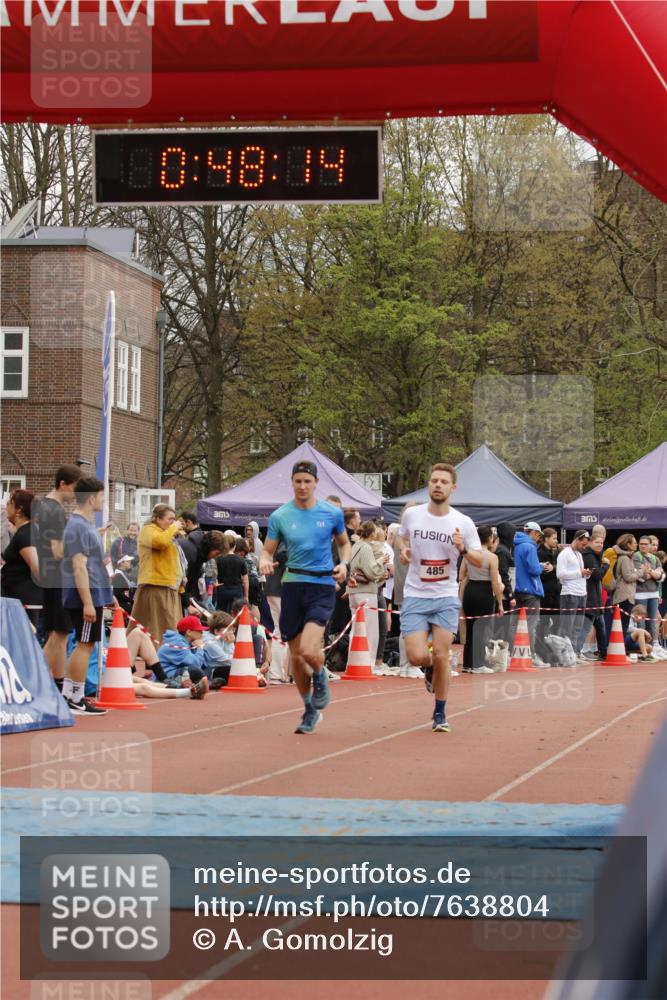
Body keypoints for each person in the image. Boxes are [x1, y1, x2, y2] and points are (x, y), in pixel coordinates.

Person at [260, 460, 350, 735]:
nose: (302, 486)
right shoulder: (280, 516)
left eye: (307, 481)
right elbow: (267, 550)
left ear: (316, 483)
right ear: (292, 483)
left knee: (311, 650)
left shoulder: (331, 513)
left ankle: (321, 676)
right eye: (298, 481)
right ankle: (310, 710)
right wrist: (264, 561)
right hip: (292, 586)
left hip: (321, 585)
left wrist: (344, 564)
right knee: (297, 658)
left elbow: (345, 543)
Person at [397, 463, 482, 733]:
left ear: (452, 488)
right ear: (428, 484)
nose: (438, 485)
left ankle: (440, 713)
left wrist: (463, 547)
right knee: (416, 656)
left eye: (443, 482)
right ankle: (430, 667)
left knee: (443, 655)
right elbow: (400, 539)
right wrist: (404, 550)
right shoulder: (412, 515)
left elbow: (480, 558)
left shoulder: (463, 522)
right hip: (415, 595)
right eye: (434, 480)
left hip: (445, 596)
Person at [60, 477, 113, 715]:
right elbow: (79, 566)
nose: (103, 500)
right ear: (91, 498)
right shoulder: (78, 526)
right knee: (84, 645)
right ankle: (74, 697)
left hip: (92, 592)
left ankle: (72, 695)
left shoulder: (83, 525)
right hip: (85, 595)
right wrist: (88, 602)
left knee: (86, 645)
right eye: (101, 496)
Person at [32, 463, 82, 689]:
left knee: (55, 633)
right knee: (61, 633)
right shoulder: (54, 511)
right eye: (74, 489)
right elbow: (57, 551)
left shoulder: (42, 505)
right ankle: (56, 684)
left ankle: (37, 679)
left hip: (48, 576)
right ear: (63, 483)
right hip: (58, 576)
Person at [130, 504, 185, 645]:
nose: (173, 522)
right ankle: (160, 658)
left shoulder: (166, 533)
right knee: (163, 626)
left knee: (166, 625)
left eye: (174, 519)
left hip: (169, 586)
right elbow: (161, 542)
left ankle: (149, 655)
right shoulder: (148, 530)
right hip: (155, 585)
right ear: (157, 519)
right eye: (170, 519)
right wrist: (173, 529)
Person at [459, 525, 505, 674]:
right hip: (484, 591)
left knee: (471, 626)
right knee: (480, 629)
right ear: (490, 538)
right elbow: (495, 583)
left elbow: (461, 575)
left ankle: (467, 663)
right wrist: (500, 603)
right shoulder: (492, 557)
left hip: (470, 589)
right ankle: (478, 664)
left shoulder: (469, 554)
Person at [347, 520, 389, 672]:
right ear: (372, 534)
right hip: (365, 591)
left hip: (354, 590)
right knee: (370, 630)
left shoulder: (355, 546)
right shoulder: (366, 547)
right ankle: (369, 663)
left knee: (356, 629)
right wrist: (380, 566)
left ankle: (353, 662)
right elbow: (371, 571)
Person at [1, 489, 42, 627]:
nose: (6, 507)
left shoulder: (25, 534)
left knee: (21, 644)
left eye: (9, 503)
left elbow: (37, 569)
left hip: (22, 603)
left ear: (18, 509)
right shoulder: (25, 532)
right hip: (17, 601)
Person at [556, 530, 592, 658]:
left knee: (577, 626)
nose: (584, 547)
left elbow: (578, 573)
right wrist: (579, 573)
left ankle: (573, 654)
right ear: (577, 539)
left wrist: (585, 574)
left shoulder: (579, 554)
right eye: (583, 544)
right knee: (567, 626)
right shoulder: (564, 554)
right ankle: (562, 655)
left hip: (582, 592)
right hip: (569, 593)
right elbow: (559, 574)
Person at [513, 522, 545, 650]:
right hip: (531, 590)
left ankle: (513, 653)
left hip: (516, 589)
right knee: (530, 625)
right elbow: (534, 570)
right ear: (533, 533)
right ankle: (529, 655)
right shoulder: (530, 547)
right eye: (538, 535)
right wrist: (541, 567)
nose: (538, 539)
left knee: (514, 625)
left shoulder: (514, 544)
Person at [178, 523, 225, 611]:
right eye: (216, 553)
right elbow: (182, 581)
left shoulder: (197, 552)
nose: (215, 557)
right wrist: (187, 605)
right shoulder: (192, 553)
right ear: (210, 547)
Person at [577, 534, 608, 660]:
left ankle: (603, 652)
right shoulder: (589, 557)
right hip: (589, 597)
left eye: (601, 543)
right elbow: (596, 575)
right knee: (586, 626)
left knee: (600, 625)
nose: (600, 545)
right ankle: (576, 651)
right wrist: (606, 565)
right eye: (597, 542)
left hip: (595, 596)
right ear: (590, 543)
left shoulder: (595, 556)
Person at [610, 534, 643, 641]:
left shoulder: (626, 557)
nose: (636, 544)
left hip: (624, 596)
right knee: (622, 626)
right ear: (628, 544)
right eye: (634, 542)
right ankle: (620, 651)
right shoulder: (625, 558)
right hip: (624, 597)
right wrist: (641, 572)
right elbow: (628, 577)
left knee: (622, 626)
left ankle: (621, 650)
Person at [157, 615, 209, 682]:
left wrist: (196, 648)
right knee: (194, 671)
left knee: (207, 667)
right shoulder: (177, 642)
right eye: (199, 631)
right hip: (165, 676)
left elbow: (204, 663)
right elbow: (195, 664)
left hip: (178, 672)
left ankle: (204, 683)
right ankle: (204, 683)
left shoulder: (189, 642)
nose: (202, 633)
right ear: (189, 632)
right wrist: (200, 648)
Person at [633, 536, 662, 644]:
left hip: (654, 594)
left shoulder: (655, 558)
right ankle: (642, 647)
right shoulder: (636, 556)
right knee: (641, 622)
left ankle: (651, 648)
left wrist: (649, 571)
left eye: (645, 544)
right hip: (640, 594)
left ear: (650, 545)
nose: (643, 546)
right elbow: (640, 577)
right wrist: (654, 573)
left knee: (652, 622)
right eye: (641, 544)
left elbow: (662, 577)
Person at [216, 537, 250, 612]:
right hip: (237, 590)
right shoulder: (241, 560)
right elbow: (245, 580)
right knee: (237, 614)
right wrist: (246, 596)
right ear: (234, 546)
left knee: (222, 613)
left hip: (222, 589)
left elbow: (214, 574)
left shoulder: (218, 559)